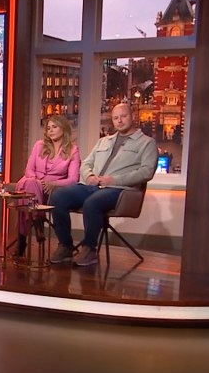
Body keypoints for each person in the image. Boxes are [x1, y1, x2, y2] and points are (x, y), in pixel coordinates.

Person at [48, 103, 157, 267]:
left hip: (119, 190)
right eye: (116, 118)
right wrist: (89, 176)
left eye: (123, 116)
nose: (119, 121)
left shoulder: (147, 143)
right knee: (58, 197)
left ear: (133, 116)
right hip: (92, 186)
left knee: (93, 203)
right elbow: (86, 164)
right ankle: (65, 246)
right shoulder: (104, 141)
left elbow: (146, 172)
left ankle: (89, 249)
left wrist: (114, 180)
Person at [12, 115, 80, 257]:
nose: (50, 130)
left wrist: (53, 184)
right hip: (30, 182)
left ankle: (22, 240)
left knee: (26, 200)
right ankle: (38, 220)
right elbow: (29, 169)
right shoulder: (39, 145)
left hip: (50, 191)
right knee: (30, 185)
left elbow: (73, 179)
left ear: (64, 129)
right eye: (48, 128)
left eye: (54, 127)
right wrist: (37, 180)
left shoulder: (72, 150)